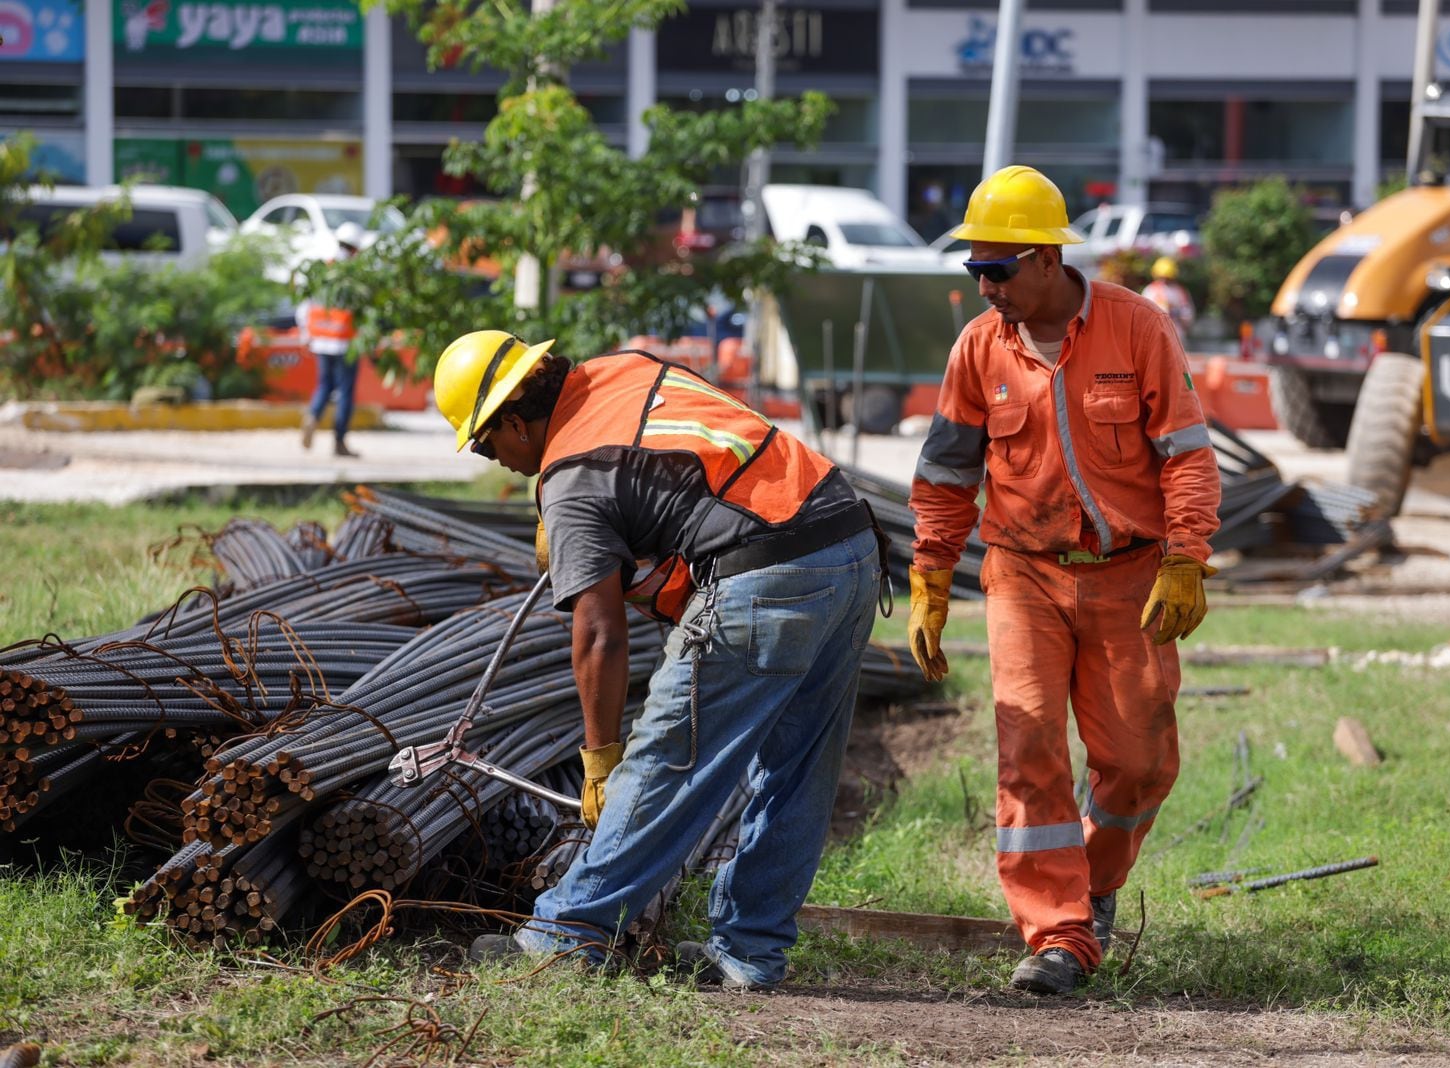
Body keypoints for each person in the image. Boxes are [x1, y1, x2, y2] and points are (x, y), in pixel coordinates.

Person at [434, 331, 888, 989]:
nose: (493, 459)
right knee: (799, 768)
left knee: (667, 758)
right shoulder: (621, 370)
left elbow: (599, 638)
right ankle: (750, 951)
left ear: (513, 420)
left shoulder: (570, 477)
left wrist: (599, 759)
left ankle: (567, 935)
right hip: (847, 542)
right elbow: (692, 489)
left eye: (484, 442)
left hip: (767, 571)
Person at [906, 165, 1221, 995]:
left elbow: (1187, 456)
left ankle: (1097, 882)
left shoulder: (1137, 327)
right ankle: (1059, 933)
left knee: (1138, 759)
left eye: (998, 270)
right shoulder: (979, 347)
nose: (986, 287)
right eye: (975, 270)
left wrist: (1186, 557)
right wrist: (932, 578)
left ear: (1047, 259)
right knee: (1030, 743)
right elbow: (945, 475)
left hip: (1130, 576)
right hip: (1023, 574)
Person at [297, 221, 366, 458]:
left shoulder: (324, 269)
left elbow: (305, 304)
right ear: (356, 248)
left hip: (320, 338)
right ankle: (339, 442)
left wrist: (306, 333)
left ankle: (312, 415)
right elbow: (365, 312)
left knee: (324, 385)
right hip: (346, 341)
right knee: (345, 391)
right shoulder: (355, 276)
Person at [1140, 257, 1195, 346]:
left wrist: (1175, 313)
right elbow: (1143, 314)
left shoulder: (1180, 291)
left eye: (1167, 278)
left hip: (1176, 333)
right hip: (1154, 334)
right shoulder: (1150, 291)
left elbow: (1187, 314)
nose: (1164, 281)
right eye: (1161, 277)